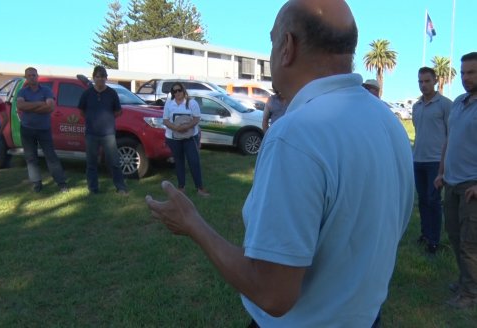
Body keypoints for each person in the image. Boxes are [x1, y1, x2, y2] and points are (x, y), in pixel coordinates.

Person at [146, 0, 414, 326]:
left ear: (287, 47)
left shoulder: (295, 134)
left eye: (272, 41)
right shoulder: (388, 123)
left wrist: (192, 224)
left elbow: (273, 293)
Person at [434, 52, 477, 309]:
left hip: (472, 186)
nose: (465, 78)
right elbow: (450, 141)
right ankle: (466, 282)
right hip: (451, 183)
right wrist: (441, 172)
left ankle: (472, 294)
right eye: (463, 73)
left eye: (471, 72)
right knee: (456, 237)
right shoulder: (460, 103)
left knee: (471, 244)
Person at [412, 67, 452, 254]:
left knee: (433, 200)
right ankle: (425, 234)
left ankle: (434, 241)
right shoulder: (416, 106)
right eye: (420, 81)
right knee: (422, 200)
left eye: (427, 81)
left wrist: (444, 167)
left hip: (436, 161)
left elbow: (451, 134)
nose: (423, 85)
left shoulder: (445, 104)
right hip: (418, 160)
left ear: (435, 81)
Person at [78, 65, 127, 195]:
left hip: (108, 134)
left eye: (102, 77)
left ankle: (120, 188)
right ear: (94, 78)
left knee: (114, 162)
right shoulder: (87, 93)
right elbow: (81, 111)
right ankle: (93, 189)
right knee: (91, 163)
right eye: (97, 77)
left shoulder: (112, 93)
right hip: (91, 134)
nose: (100, 79)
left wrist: (107, 120)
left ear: (106, 78)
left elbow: (118, 111)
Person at [17, 67, 67, 193]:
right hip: (27, 129)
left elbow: (50, 108)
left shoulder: (46, 90)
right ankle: (37, 183)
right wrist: (40, 104)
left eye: (34, 75)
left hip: (44, 129)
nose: (32, 77)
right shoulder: (22, 92)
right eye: (29, 75)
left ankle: (61, 183)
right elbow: (20, 106)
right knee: (31, 158)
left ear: (37, 76)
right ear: (26, 77)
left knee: (51, 156)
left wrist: (30, 107)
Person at [162, 82, 209, 197]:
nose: (177, 93)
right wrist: (176, 128)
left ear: (183, 90)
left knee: (194, 161)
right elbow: (165, 120)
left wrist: (185, 127)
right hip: (173, 137)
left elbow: (196, 118)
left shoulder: (191, 103)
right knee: (179, 162)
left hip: (190, 136)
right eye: (174, 91)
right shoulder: (169, 104)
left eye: (179, 90)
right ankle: (181, 188)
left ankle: (199, 188)